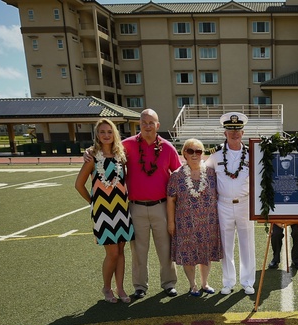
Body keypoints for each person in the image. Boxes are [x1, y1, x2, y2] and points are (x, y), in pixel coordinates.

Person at [122, 109, 182, 299]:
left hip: (161, 206)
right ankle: (140, 286)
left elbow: (179, 173)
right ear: (139, 124)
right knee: (139, 250)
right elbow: (106, 151)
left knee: (165, 248)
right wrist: (91, 151)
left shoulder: (167, 147)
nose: (148, 126)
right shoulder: (126, 145)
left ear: (158, 125)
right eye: (144, 122)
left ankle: (169, 283)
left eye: (151, 122)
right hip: (136, 206)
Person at [74, 119, 133, 303]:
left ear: (114, 134)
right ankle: (107, 288)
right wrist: (93, 202)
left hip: (122, 209)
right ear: (97, 135)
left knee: (122, 251)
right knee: (112, 253)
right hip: (103, 212)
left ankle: (121, 288)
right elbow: (78, 184)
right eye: (102, 132)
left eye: (109, 131)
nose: (106, 135)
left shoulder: (121, 156)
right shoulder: (92, 157)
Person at [205, 112, 256, 295]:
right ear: (224, 132)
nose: (234, 133)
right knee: (226, 245)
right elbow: (206, 176)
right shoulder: (216, 155)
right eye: (230, 130)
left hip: (245, 203)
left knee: (247, 243)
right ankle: (228, 282)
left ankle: (248, 281)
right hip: (223, 204)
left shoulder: (252, 154)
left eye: (238, 129)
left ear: (243, 132)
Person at [167, 138, 223, 297]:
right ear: (184, 153)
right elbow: (171, 199)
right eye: (190, 151)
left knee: (205, 254)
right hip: (185, 223)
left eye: (198, 151)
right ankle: (193, 285)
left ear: (202, 154)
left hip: (208, 222)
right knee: (188, 255)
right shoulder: (177, 176)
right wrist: (171, 222)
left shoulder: (211, 173)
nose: (194, 154)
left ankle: (205, 283)